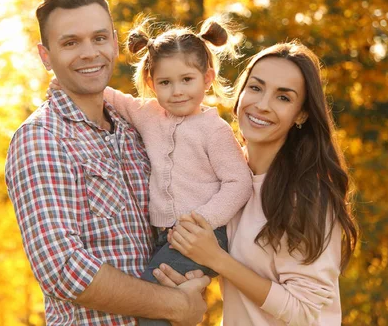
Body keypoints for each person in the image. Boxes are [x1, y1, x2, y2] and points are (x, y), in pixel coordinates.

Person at [5, 0, 210, 326]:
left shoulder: (135, 129)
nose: (89, 53)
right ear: (46, 56)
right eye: (71, 42)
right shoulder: (41, 138)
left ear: (115, 44)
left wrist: (194, 274)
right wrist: (173, 305)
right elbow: (63, 268)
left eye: (99, 38)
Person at [153, 42, 359, 325]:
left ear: (301, 114)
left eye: (283, 98)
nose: (262, 105)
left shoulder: (308, 196)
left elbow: (304, 312)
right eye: (256, 88)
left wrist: (216, 259)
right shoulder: (225, 182)